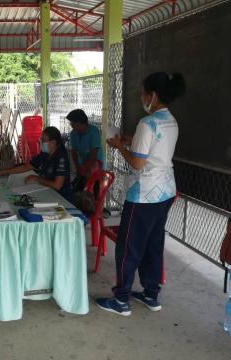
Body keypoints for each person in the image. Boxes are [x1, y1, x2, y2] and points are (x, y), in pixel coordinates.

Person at [96, 72, 186, 316]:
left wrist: (119, 147)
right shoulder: (170, 120)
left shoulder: (147, 123)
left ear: (153, 95)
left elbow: (137, 163)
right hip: (165, 191)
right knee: (153, 244)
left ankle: (121, 299)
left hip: (144, 194)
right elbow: (154, 148)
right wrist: (128, 140)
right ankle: (150, 294)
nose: (141, 97)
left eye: (143, 93)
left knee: (128, 247)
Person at [0, 126, 73, 202]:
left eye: (43, 140)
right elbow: (26, 167)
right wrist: (3, 172)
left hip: (61, 197)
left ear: (53, 142)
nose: (41, 142)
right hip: (46, 190)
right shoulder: (44, 154)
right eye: (41, 139)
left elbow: (57, 185)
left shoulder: (61, 157)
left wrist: (38, 179)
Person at [67, 109, 104, 179]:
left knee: (92, 184)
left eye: (72, 122)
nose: (70, 125)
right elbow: (73, 152)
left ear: (78, 123)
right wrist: (78, 168)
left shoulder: (93, 132)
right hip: (83, 164)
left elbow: (93, 154)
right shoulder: (73, 133)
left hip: (96, 164)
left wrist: (87, 170)